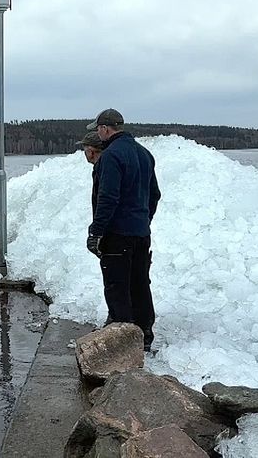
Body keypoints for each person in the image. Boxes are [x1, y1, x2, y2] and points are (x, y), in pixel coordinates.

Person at [85, 109, 161, 351]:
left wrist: (96, 232)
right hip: (141, 233)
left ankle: (123, 341)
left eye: (98, 129)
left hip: (117, 235)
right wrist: (143, 219)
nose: (98, 133)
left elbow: (108, 198)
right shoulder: (144, 154)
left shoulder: (111, 156)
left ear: (106, 128)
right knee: (139, 284)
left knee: (117, 286)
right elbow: (155, 195)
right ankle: (144, 335)